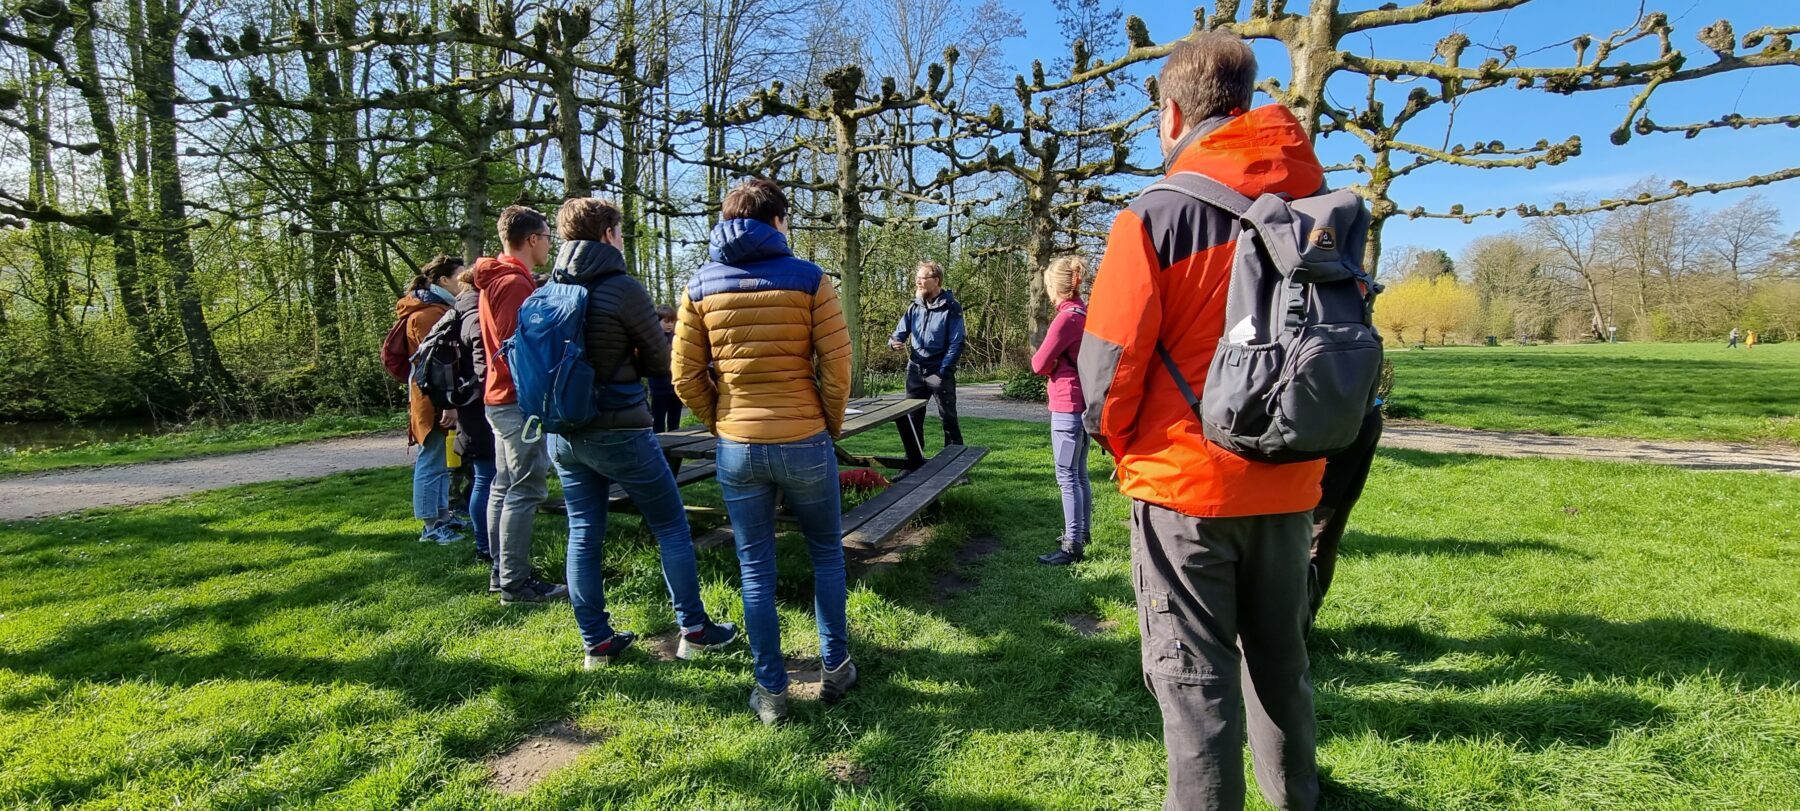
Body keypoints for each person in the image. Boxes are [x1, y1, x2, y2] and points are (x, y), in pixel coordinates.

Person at [1078, 32, 1326, 810]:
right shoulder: (1313, 211)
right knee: (1282, 670)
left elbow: (1107, 372)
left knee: (1195, 688)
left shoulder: (1152, 217)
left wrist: (1123, 444)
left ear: (1174, 112)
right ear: (1248, 105)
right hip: (1290, 482)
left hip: (1184, 490)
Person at [673, 178, 855, 725]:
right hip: (804, 440)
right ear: (777, 220)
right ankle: (836, 665)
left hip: (738, 447)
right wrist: (829, 422)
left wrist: (719, 418)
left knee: (755, 567)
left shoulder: (700, 285)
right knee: (826, 552)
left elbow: (683, 375)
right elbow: (838, 367)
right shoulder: (808, 279)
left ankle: (772, 690)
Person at [541, 197, 739, 668]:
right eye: (621, 231)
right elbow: (660, 363)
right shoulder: (622, 288)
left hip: (563, 433)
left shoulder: (546, 288)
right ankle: (695, 629)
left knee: (584, 530)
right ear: (608, 233)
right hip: (619, 428)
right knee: (670, 524)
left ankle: (597, 643)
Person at [474, 205, 568, 604]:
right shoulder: (513, 283)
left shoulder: (499, 277)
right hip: (517, 400)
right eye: (548, 237)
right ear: (532, 239)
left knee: (505, 484)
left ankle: (502, 574)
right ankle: (515, 583)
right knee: (526, 488)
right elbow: (522, 349)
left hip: (499, 397)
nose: (550, 244)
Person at [397, 255, 465, 544]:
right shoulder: (427, 315)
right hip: (431, 397)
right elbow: (438, 364)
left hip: (434, 395)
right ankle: (430, 525)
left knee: (437, 460)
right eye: (460, 276)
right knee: (431, 460)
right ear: (443, 281)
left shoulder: (437, 309)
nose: (464, 281)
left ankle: (442, 516)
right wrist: (448, 402)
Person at [1031, 256, 1093, 566]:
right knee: (1079, 473)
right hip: (1084, 402)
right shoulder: (1085, 312)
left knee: (1067, 476)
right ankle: (1081, 532)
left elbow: (1039, 363)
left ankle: (1072, 545)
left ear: (1055, 287)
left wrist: (1053, 364)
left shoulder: (1066, 317)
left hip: (1067, 404)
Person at [1307, 406, 1384, 629]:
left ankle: (1294, 632)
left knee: (1317, 532)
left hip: (1329, 421)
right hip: (1360, 412)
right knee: (1323, 533)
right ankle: (1298, 630)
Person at [889, 260, 966, 449]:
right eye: (917, 278)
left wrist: (943, 371)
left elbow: (957, 343)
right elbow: (898, 332)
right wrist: (893, 342)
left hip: (938, 370)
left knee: (948, 418)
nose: (918, 282)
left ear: (936, 280)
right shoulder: (914, 307)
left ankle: (955, 465)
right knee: (912, 418)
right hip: (915, 370)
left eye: (922, 278)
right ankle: (914, 463)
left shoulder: (951, 307)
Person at [453, 266, 499, 574]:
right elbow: (483, 362)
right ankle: (485, 544)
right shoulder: (473, 313)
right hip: (478, 406)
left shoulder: (459, 309)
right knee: (486, 476)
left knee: (486, 476)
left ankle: (487, 541)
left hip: (469, 404)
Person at [649, 304, 683, 433]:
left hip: (675, 387)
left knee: (675, 424)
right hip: (658, 388)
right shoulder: (652, 339)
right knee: (658, 423)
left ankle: (674, 451)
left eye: (672, 322)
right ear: (657, 321)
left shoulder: (677, 337)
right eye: (666, 321)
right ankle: (660, 451)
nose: (669, 325)